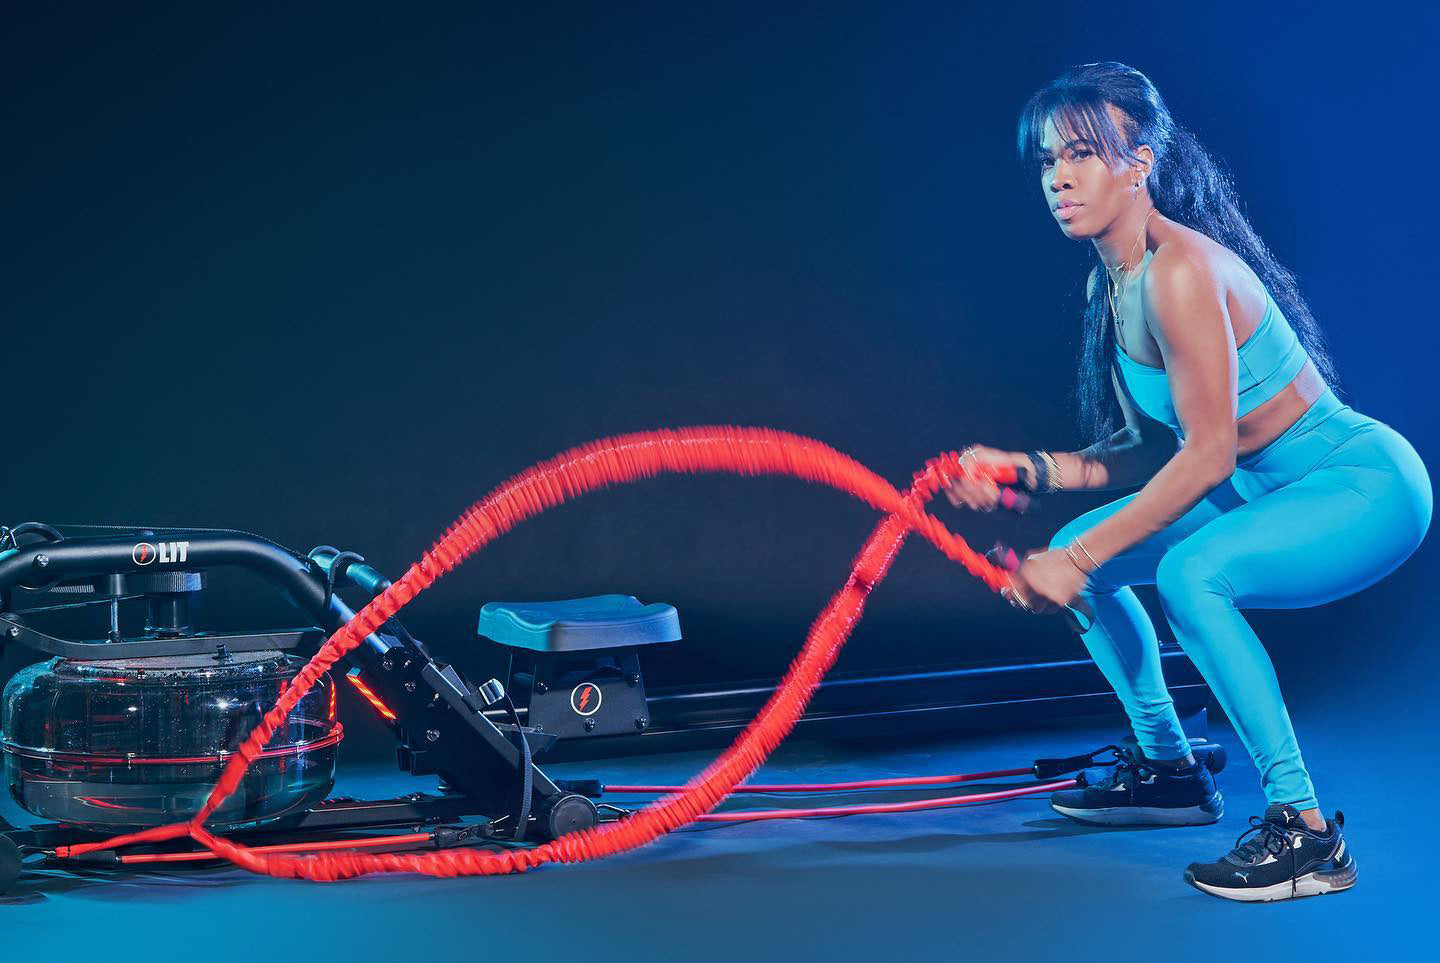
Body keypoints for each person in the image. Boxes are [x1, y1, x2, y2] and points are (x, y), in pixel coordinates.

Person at [944, 62, 1432, 902]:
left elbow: (1204, 456)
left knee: (1188, 572)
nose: (1058, 176)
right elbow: (1146, 448)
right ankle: (1170, 772)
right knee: (1076, 552)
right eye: (1047, 160)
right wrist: (1029, 470)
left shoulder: (1179, 272)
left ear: (1141, 163)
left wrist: (1080, 554)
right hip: (1263, 488)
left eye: (1083, 154)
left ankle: (1307, 833)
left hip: (1361, 486)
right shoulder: (1117, 278)